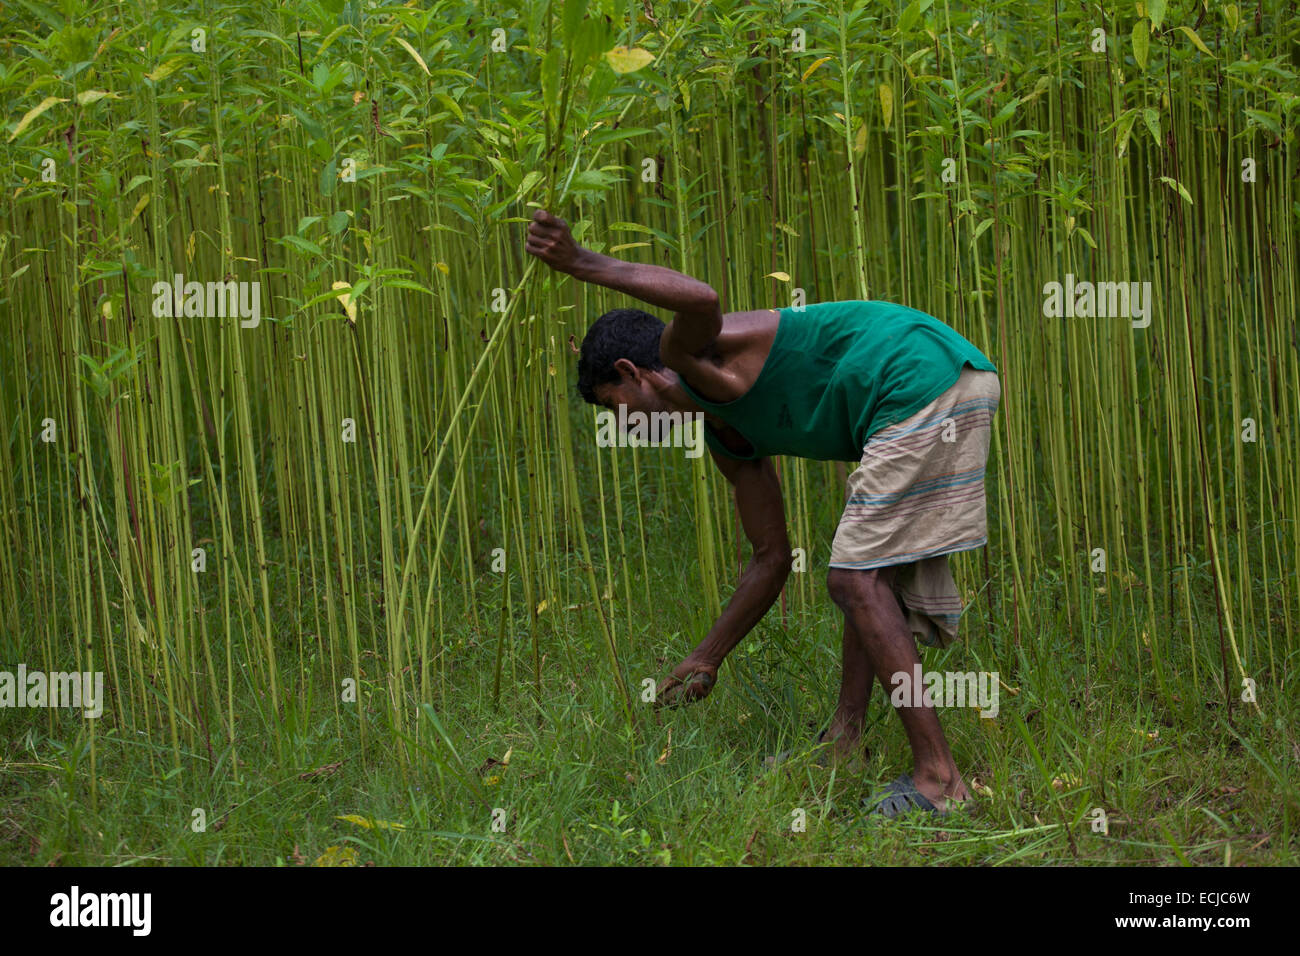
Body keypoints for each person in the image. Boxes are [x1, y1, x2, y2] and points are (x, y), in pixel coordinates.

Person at [525, 208, 1000, 816]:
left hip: (923, 380)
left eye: (616, 410)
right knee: (863, 573)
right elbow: (771, 560)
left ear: (631, 373)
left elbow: (701, 298)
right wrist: (706, 658)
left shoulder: (691, 354)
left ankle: (939, 779)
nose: (628, 431)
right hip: (932, 387)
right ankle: (842, 744)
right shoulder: (727, 435)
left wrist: (581, 262)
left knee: (855, 579)